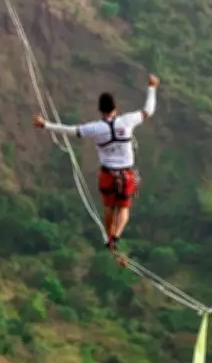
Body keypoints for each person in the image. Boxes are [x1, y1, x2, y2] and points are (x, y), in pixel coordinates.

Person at [32, 74, 159, 252]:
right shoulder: (127, 121)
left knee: (108, 207)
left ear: (100, 111)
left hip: (108, 174)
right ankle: (116, 235)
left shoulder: (96, 128)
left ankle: (109, 237)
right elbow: (148, 110)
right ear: (115, 108)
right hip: (126, 173)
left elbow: (70, 130)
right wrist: (152, 87)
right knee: (123, 208)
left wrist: (45, 124)